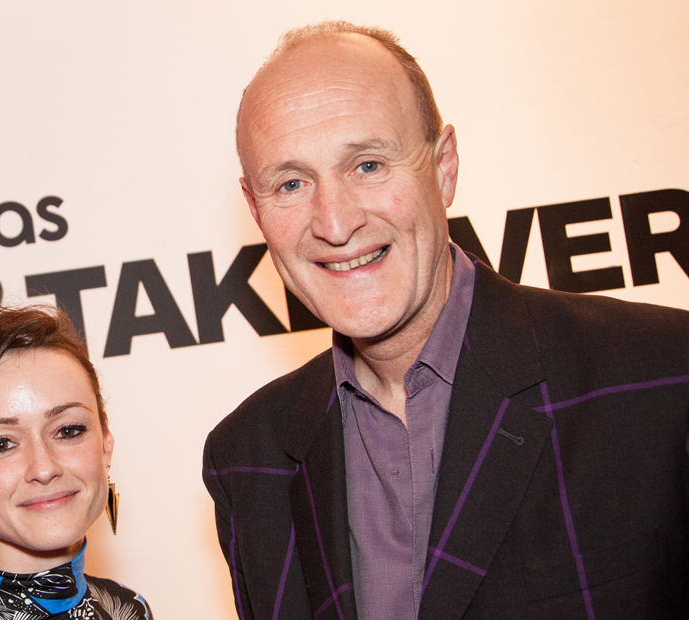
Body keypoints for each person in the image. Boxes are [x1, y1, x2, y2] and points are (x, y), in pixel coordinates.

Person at [203, 20, 689, 620]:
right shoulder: (249, 457)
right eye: (292, 183)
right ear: (256, 208)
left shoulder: (665, 378)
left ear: (444, 166)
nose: (333, 222)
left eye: (369, 165)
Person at [0, 306, 152, 620]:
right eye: (1, 443)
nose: (44, 468)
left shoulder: (129, 608)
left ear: (105, 442)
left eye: (68, 430)